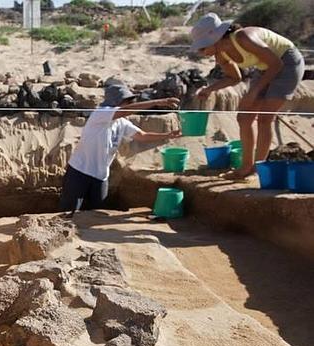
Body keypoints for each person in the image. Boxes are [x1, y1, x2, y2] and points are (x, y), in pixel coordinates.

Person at [190, 13, 305, 179]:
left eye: (202, 47)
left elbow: (276, 64)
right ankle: (246, 167)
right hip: (264, 67)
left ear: (215, 38)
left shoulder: (244, 37)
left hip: (287, 63)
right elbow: (234, 77)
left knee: (265, 118)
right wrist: (209, 89)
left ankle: (258, 169)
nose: (201, 52)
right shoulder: (221, 54)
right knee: (244, 117)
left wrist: (253, 91)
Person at [59, 84, 181, 214]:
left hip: (101, 176)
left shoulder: (121, 122)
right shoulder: (101, 113)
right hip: (80, 171)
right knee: (68, 212)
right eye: (126, 101)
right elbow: (126, 110)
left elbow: (142, 136)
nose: (129, 103)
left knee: (97, 214)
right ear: (116, 101)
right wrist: (159, 102)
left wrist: (167, 135)